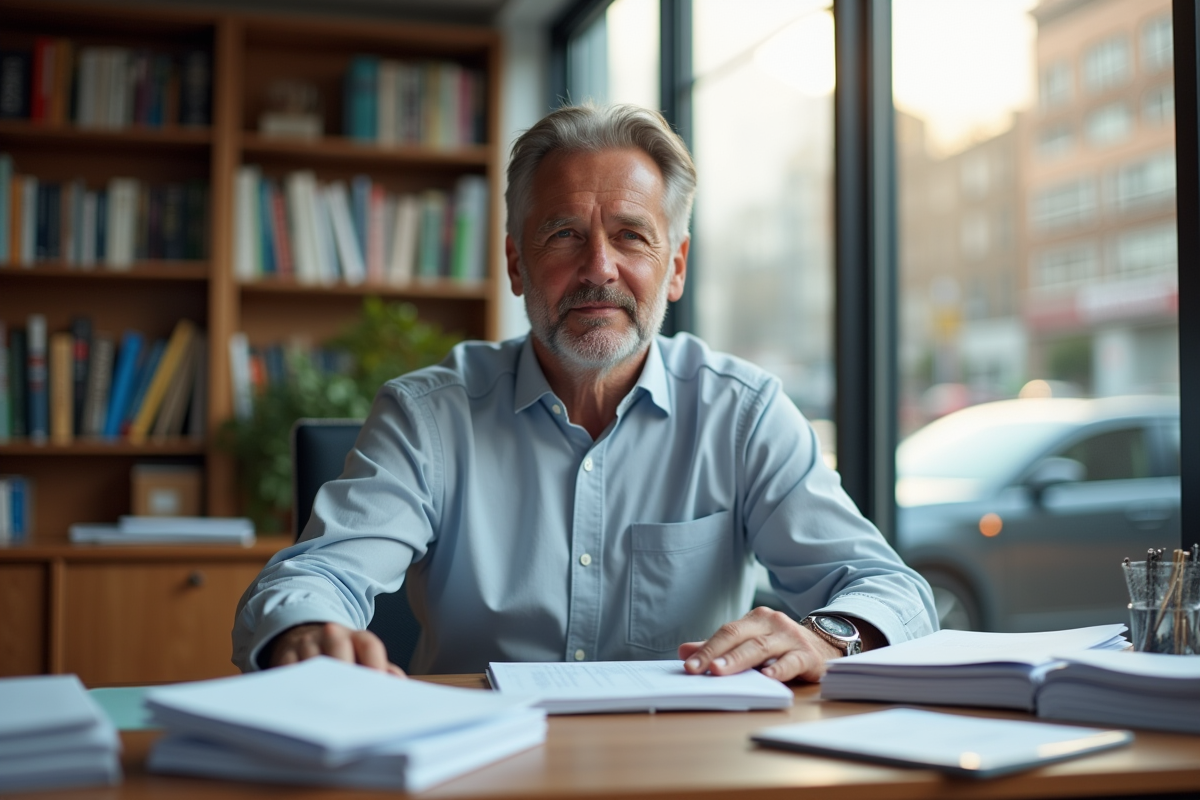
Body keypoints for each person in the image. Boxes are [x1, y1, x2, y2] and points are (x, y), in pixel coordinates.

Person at [232, 103, 936, 683]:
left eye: (631, 237)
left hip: (687, 770)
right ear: (517, 264)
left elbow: (895, 591)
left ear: (676, 268)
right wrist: (308, 628)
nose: (599, 269)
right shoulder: (429, 415)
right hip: (476, 767)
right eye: (564, 234)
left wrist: (828, 637)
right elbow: (315, 575)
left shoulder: (743, 415)